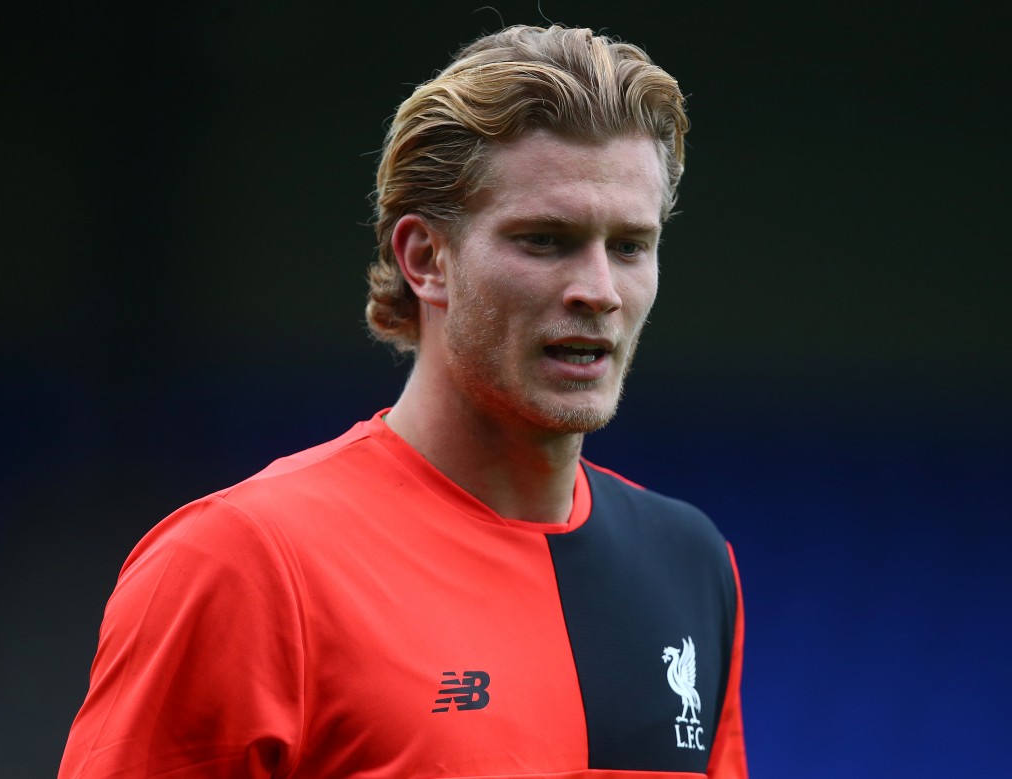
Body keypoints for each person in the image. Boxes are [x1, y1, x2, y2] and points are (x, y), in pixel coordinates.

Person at [59, 24, 747, 778]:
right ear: (425, 259)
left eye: (630, 246)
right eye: (546, 240)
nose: (600, 291)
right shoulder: (244, 563)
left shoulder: (691, 564)